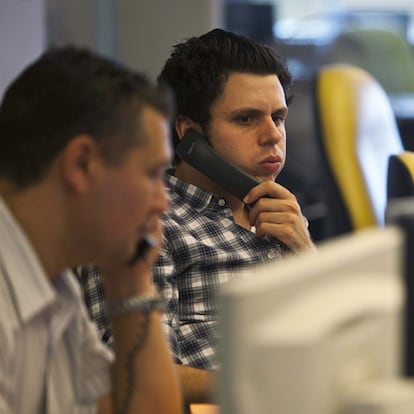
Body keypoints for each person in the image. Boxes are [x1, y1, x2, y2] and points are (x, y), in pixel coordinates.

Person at [79, 28, 316, 404]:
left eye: (279, 116)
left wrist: (307, 256)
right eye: (246, 119)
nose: (273, 135)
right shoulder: (147, 224)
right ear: (191, 137)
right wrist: (257, 383)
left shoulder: (284, 215)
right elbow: (129, 376)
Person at [0, 46, 182, 413]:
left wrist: (131, 283)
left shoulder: (57, 287)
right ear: (81, 164)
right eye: (152, 175)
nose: (163, 202)